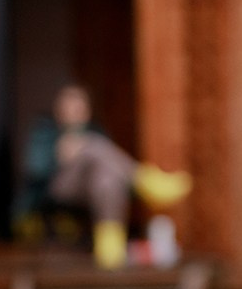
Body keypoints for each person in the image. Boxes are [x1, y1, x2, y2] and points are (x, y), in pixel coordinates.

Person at [17, 84, 192, 269]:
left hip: (89, 189)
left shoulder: (95, 130)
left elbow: (110, 168)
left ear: (87, 111)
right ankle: (144, 180)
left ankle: (109, 247)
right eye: (67, 107)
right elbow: (33, 171)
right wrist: (56, 155)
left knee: (107, 179)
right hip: (56, 190)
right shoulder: (45, 132)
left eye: (78, 108)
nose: (72, 113)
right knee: (95, 146)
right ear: (58, 110)